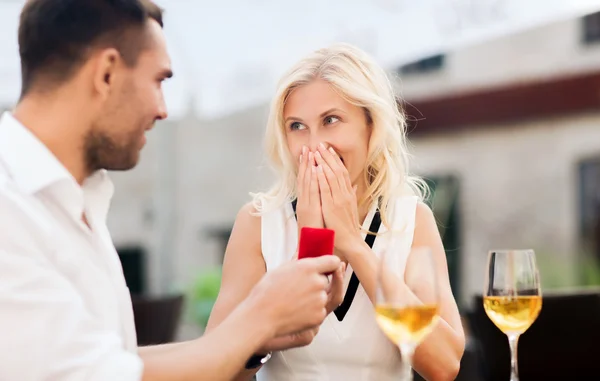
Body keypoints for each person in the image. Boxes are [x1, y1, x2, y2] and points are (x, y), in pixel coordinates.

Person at [0, 1, 346, 380]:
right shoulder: (10, 210)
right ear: (107, 73)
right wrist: (258, 317)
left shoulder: (74, 200)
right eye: (158, 80)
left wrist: (262, 331)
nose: (163, 109)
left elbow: (114, 362)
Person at [206, 43, 466, 381]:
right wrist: (311, 248)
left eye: (331, 121)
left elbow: (443, 365)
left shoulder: (411, 221)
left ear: (371, 126)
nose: (314, 145)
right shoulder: (257, 223)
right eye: (297, 126)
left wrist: (353, 246)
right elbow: (214, 370)